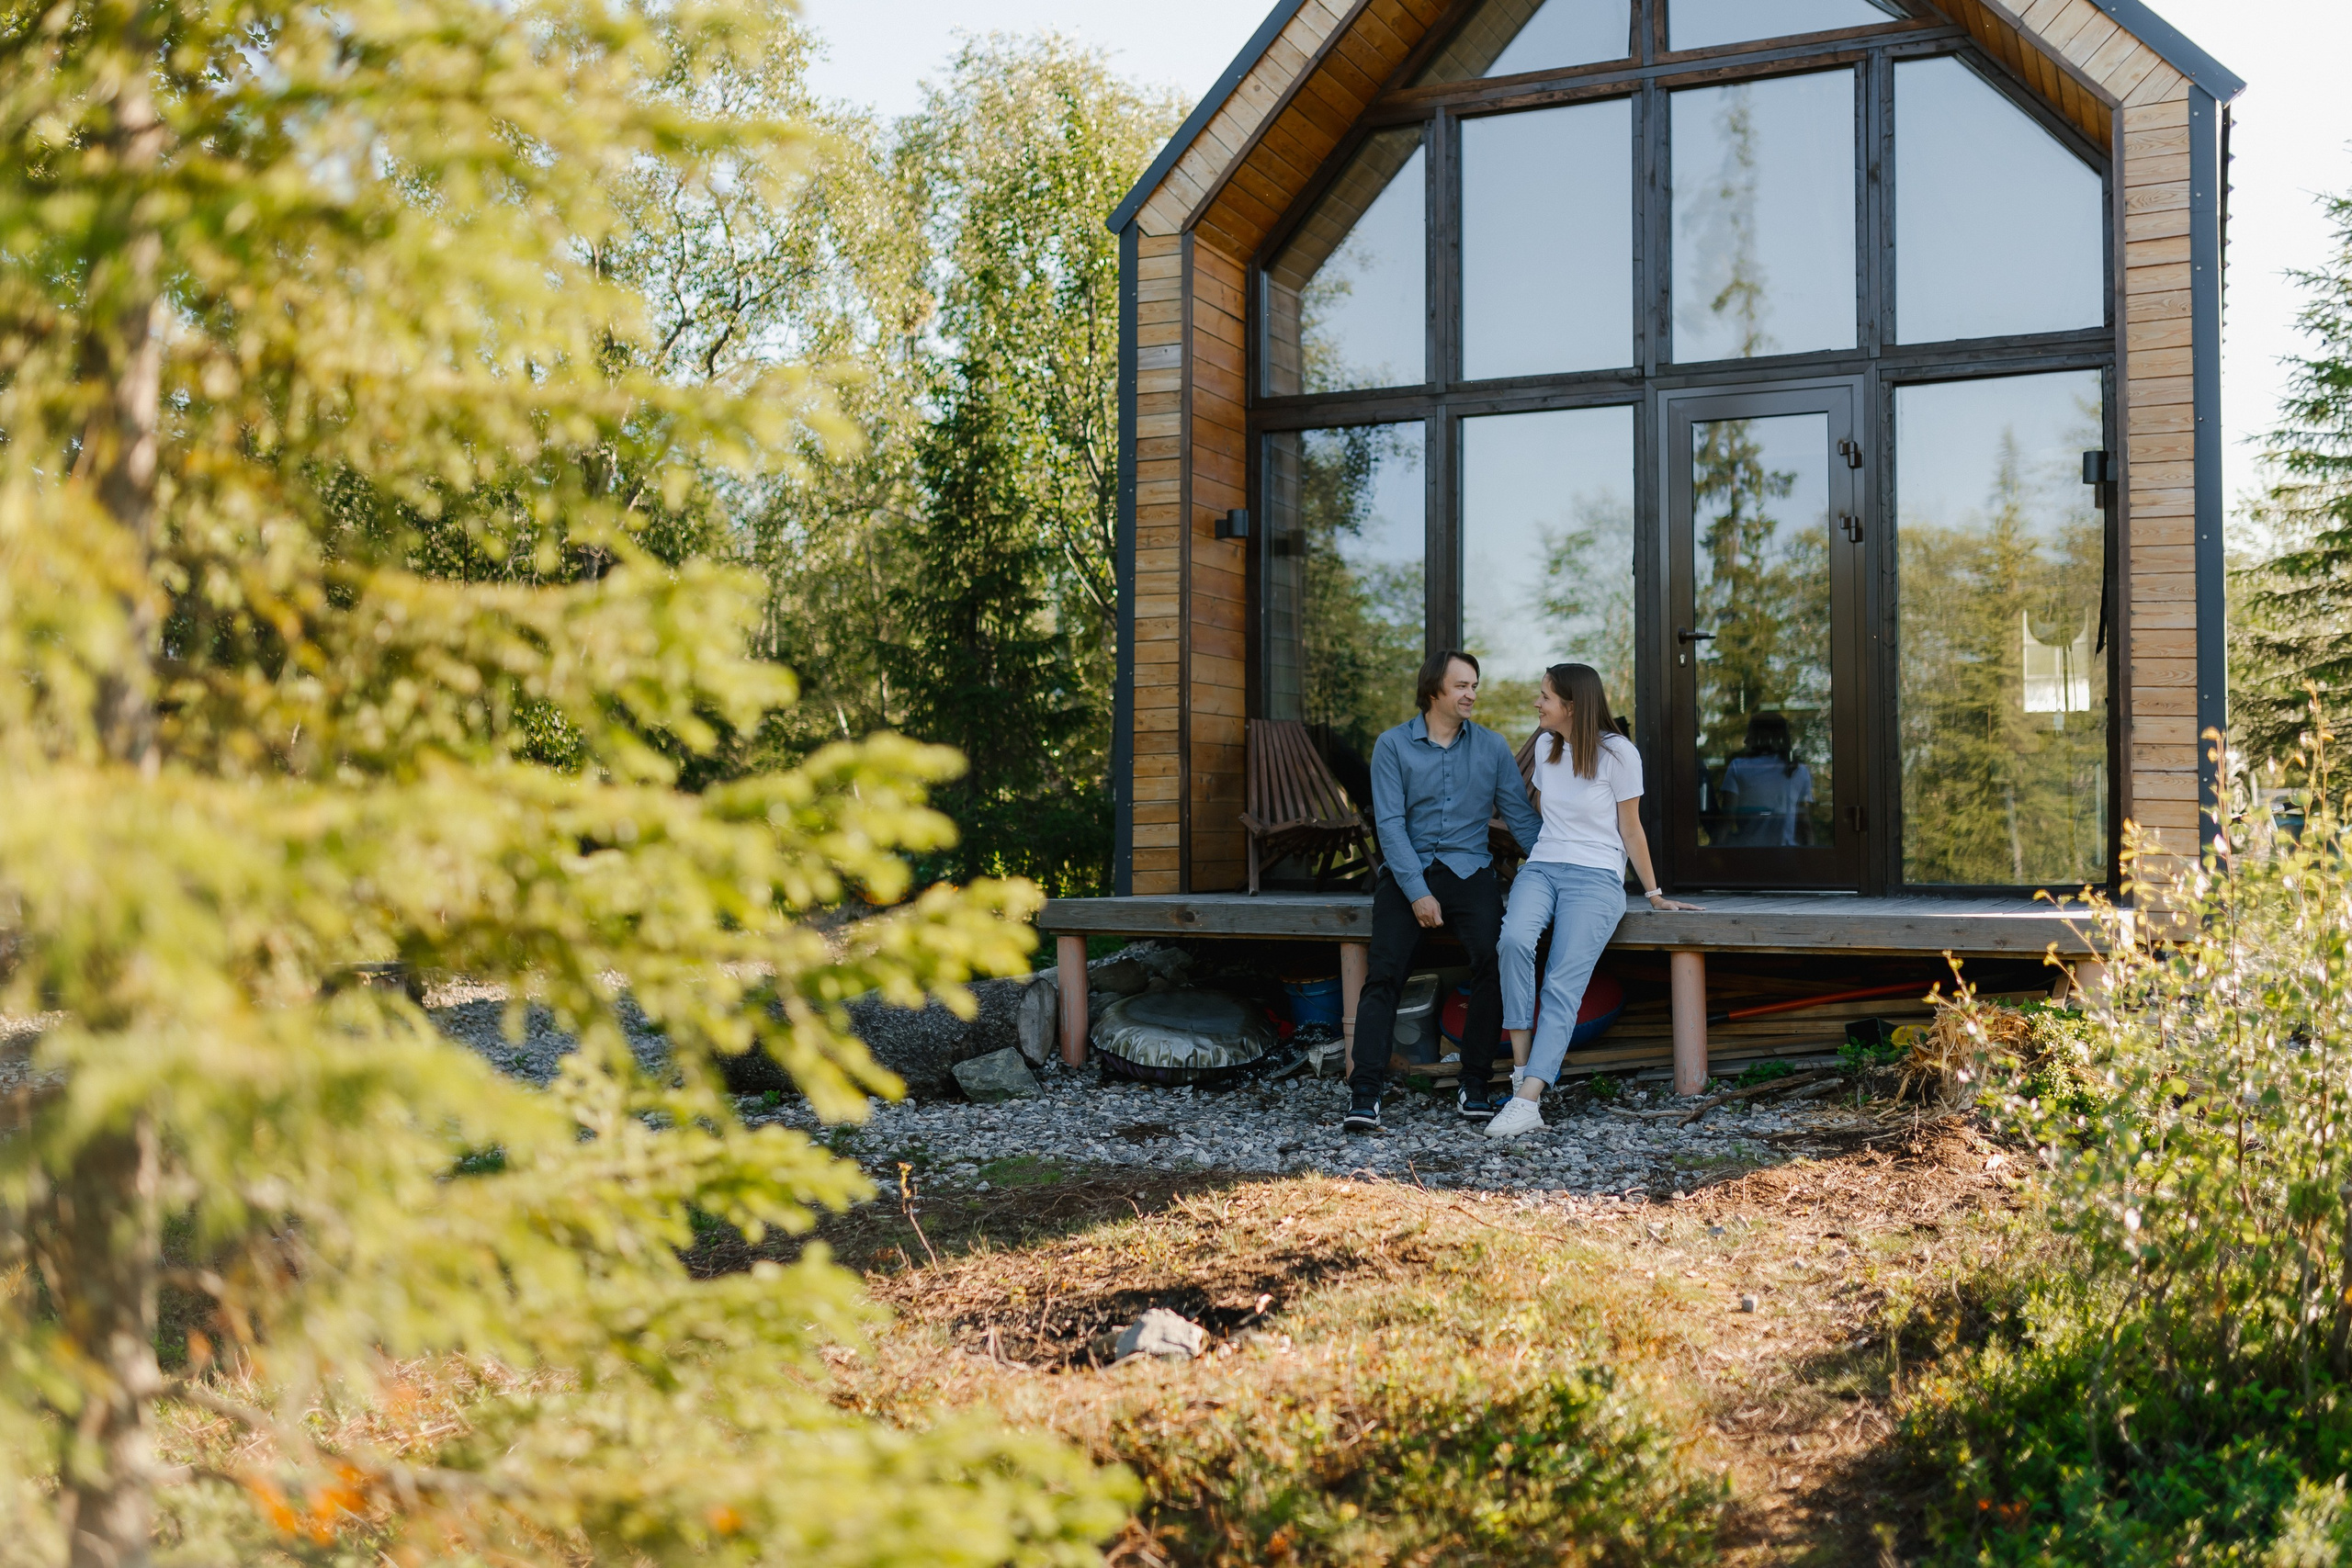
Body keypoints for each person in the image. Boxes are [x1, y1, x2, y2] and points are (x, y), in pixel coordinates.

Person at [1487, 663, 1702, 1140]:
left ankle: (1527, 1101)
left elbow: (1631, 828)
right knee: (1514, 942)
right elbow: (1546, 809)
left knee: (1563, 980)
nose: (1536, 703)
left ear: (1572, 705)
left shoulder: (1619, 754)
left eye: (1544, 696)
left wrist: (1653, 893)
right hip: (1542, 867)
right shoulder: (1546, 745)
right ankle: (1523, 1073)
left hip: (1596, 877)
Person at [1347, 649, 1543, 1134]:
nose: (1471, 694)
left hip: (1469, 869)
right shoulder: (1392, 746)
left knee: (1493, 962)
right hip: (1407, 870)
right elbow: (1389, 826)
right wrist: (1416, 891)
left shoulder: (1492, 748)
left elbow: (1519, 817)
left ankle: (1474, 1083)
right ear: (1434, 689)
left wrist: (1561, 869)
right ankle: (1365, 1093)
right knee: (1385, 973)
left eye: (1475, 685)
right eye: (1462, 686)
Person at [1713, 711, 1813, 847]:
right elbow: (1804, 825)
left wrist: (1712, 851)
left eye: (1750, 733)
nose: (1745, 740)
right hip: (1787, 856)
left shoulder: (1738, 767)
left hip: (1748, 854)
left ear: (1762, 736)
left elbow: (1727, 819)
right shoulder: (1799, 771)